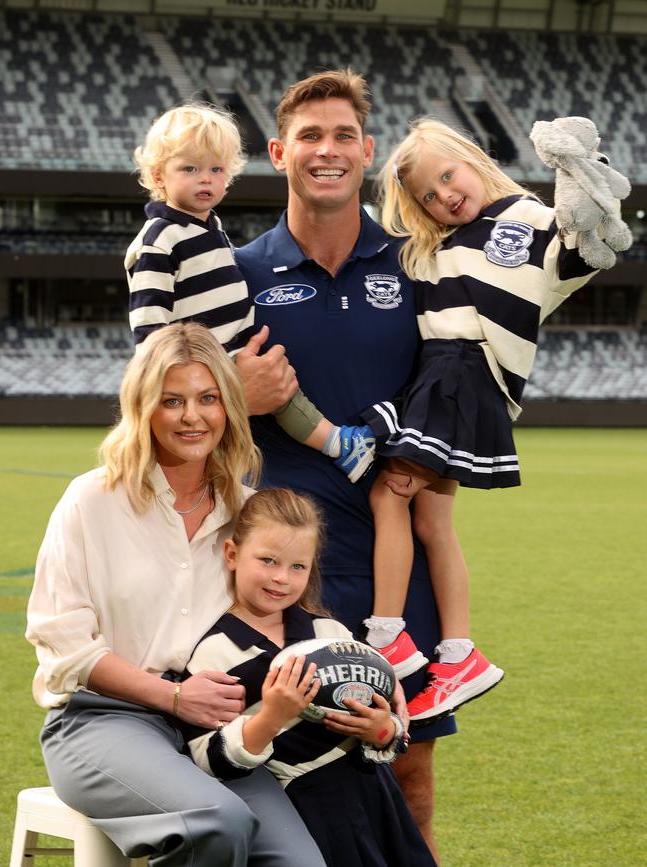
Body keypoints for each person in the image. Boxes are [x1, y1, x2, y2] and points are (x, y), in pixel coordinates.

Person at [234, 69, 456, 860]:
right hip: (286, 571)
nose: (325, 151)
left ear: (367, 151)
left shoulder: (420, 262)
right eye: (308, 136)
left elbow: (468, 378)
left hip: (400, 567)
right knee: (294, 779)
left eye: (341, 137)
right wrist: (236, 390)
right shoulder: (239, 272)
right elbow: (170, 399)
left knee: (411, 775)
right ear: (277, 152)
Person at [25, 322, 327, 867]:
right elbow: (63, 646)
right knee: (218, 820)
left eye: (208, 398)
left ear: (229, 406)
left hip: (214, 730)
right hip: (102, 720)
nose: (193, 417)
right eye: (173, 401)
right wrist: (173, 696)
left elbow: (291, 615)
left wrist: (372, 678)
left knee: (299, 863)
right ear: (144, 407)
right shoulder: (92, 501)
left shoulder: (248, 510)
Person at [356, 118, 604, 725]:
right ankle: (458, 653)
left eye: (447, 176)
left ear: (471, 158)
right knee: (434, 522)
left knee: (390, 492)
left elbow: (582, 248)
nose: (444, 196)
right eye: (428, 196)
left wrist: (575, 177)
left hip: (462, 370)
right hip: (441, 372)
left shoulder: (524, 217)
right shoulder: (437, 243)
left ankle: (387, 635)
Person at [175, 487, 437, 867]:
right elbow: (207, 759)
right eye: (267, 560)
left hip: (376, 800)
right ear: (232, 554)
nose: (281, 578)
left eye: (297, 567)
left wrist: (382, 730)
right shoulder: (214, 650)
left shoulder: (330, 633)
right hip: (305, 810)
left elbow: (390, 727)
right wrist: (271, 717)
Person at [125, 101, 375, 482]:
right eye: (190, 169)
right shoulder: (159, 239)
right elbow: (149, 323)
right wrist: (174, 377)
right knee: (267, 404)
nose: (205, 179)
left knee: (283, 390)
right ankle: (338, 444)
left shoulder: (210, 227)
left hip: (235, 350)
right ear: (159, 176)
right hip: (203, 362)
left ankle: (339, 444)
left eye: (216, 169)